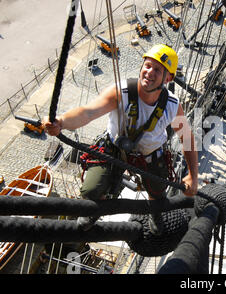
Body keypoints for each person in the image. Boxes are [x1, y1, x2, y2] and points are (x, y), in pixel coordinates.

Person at [43, 44, 198, 234]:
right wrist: (61, 122)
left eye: (157, 70)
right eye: (147, 66)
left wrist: (193, 175)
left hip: (151, 154)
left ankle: (155, 211)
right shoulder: (121, 92)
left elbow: (187, 138)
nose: (149, 72)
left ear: (168, 78)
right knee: (91, 190)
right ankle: (93, 208)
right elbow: (88, 112)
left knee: (157, 191)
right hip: (115, 149)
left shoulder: (172, 105)